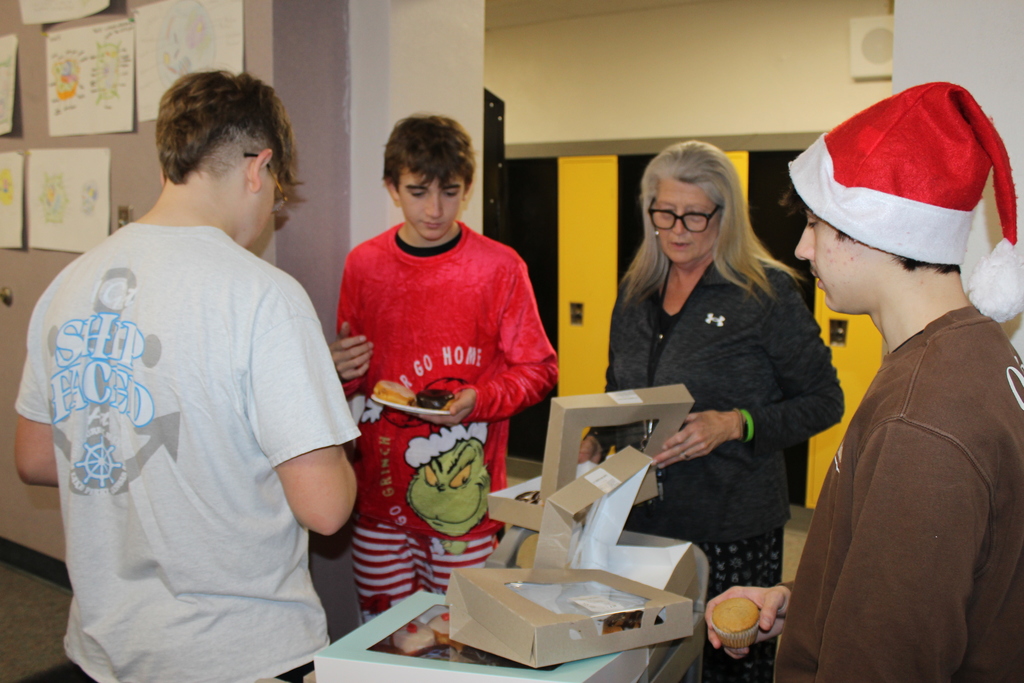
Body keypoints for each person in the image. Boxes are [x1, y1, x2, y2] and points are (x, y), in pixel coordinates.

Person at [14, 71, 359, 683]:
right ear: (259, 167)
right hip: (239, 654)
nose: (269, 209)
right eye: (276, 191)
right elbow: (326, 508)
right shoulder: (263, 296)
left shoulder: (68, 286)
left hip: (106, 649)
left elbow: (38, 458)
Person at [706, 82, 1024, 682]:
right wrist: (804, 604)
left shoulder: (924, 417)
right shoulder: (973, 353)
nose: (802, 248)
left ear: (873, 230)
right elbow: (931, 581)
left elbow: (887, 661)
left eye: (815, 226)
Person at [579, 140, 843, 683]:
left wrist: (735, 424)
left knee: (725, 667)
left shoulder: (763, 293)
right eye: (665, 213)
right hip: (636, 523)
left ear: (726, 216)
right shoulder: (634, 294)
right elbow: (619, 390)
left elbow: (824, 401)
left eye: (696, 215)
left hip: (730, 530)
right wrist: (591, 437)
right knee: (645, 661)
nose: (678, 229)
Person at [330, 114, 558, 619]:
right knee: (387, 641)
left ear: (468, 188)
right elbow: (352, 380)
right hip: (378, 502)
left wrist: (483, 399)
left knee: (468, 642)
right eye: (417, 191)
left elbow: (540, 368)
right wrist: (336, 368)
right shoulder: (363, 265)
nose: (434, 210)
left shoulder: (500, 268)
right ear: (392, 188)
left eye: (450, 192)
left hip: (468, 513)